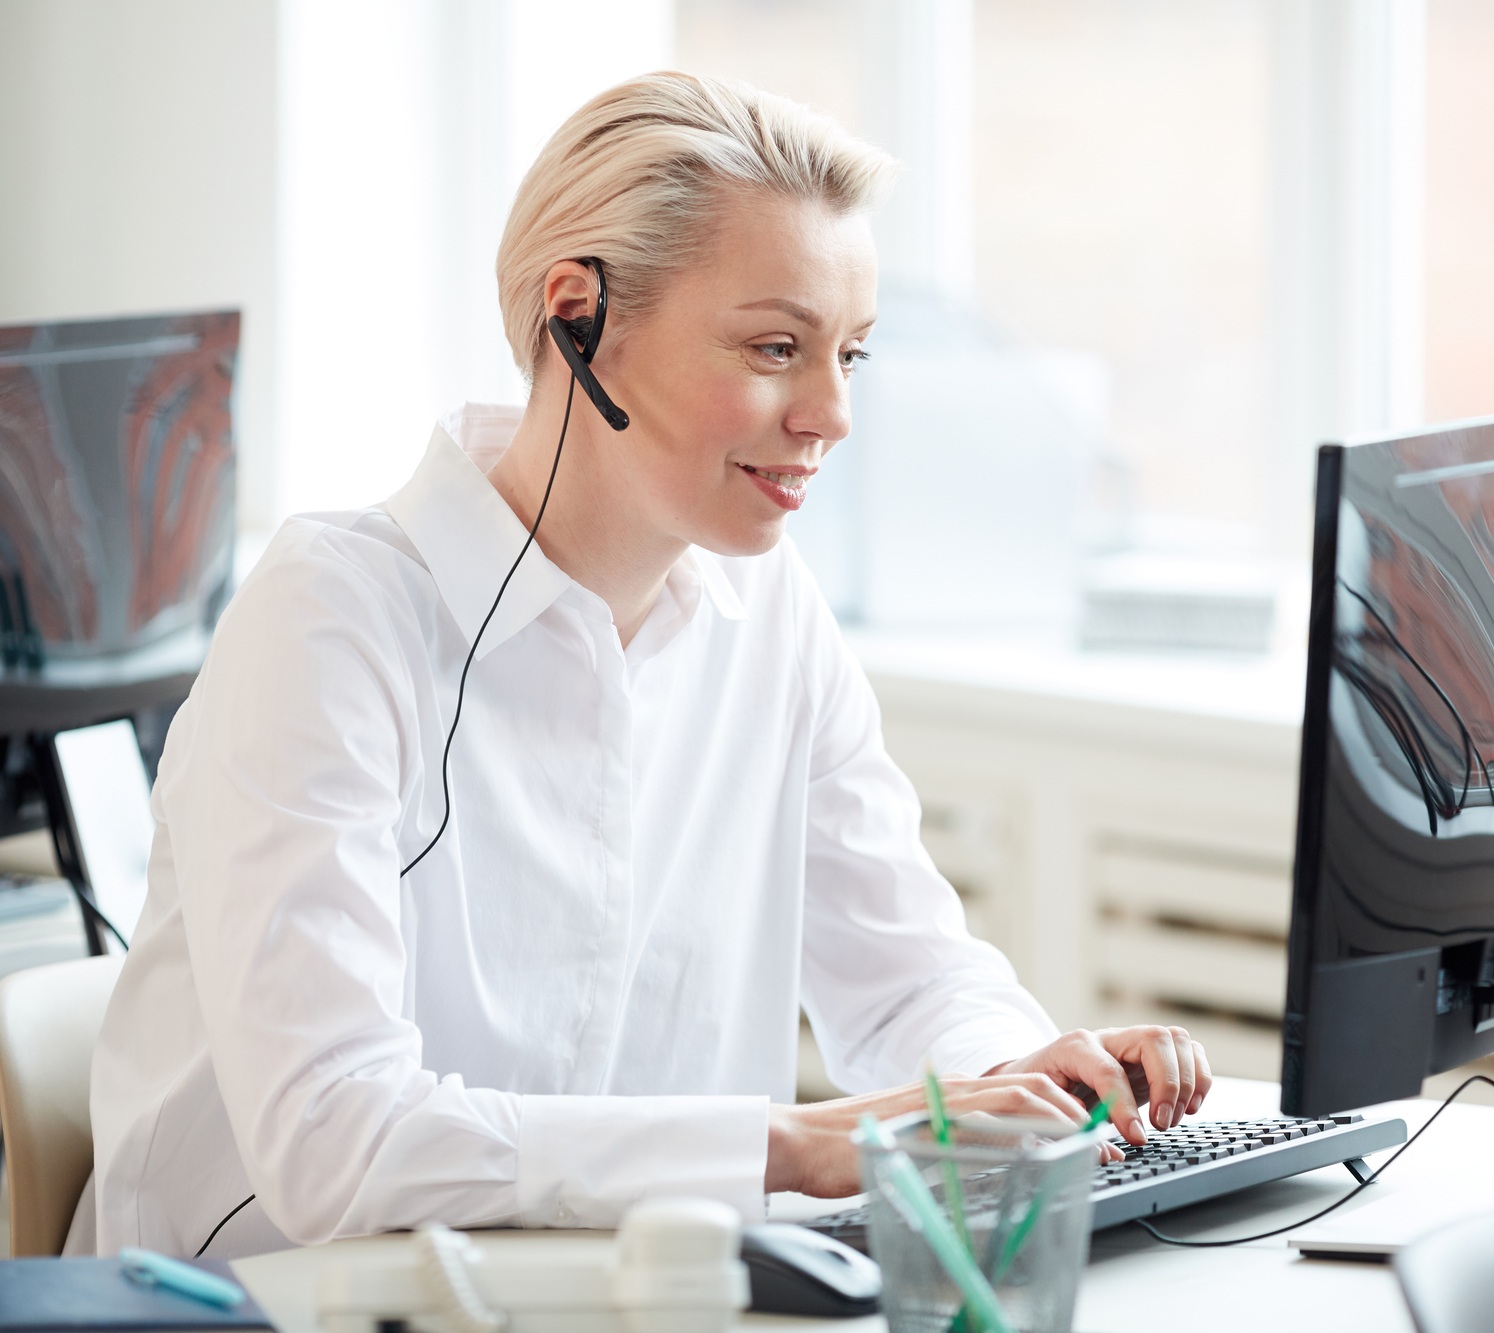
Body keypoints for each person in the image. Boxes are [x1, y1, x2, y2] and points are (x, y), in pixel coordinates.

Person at [83, 72, 1210, 1260]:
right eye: (775, 347)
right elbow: (333, 1140)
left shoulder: (768, 613)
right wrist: (791, 1145)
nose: (829, 412)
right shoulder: (332, 618)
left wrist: (1023, 1077)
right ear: (580, 316)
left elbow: (906, 975)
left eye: (849, 355)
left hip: (611, 1290)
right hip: (264, 1299)